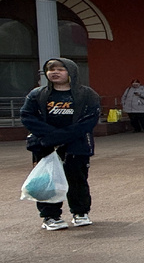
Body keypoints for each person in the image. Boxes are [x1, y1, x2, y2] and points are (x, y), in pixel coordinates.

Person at [21, 57, 101, 230]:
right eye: (51, 69)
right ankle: (50, 216)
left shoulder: (87, 95)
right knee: (47, 181)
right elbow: (27, 116)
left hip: (76, 145)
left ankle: (80, 212)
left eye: (60, 69)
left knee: (77, 180)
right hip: (45, 145)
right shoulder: (37, 94)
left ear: (71, 72)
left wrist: (62, 136)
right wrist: (51, 136)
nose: (55, 72)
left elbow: (89, 121)